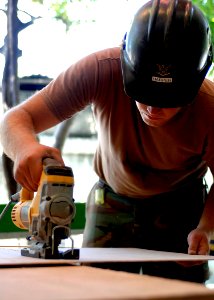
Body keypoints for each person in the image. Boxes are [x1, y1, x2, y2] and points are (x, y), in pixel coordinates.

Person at [0, 0, 214, 283]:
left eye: (170, 100)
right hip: (110, 198)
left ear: (196, 81)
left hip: (182, 205)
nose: (153, 109)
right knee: (96, 285)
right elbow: (14, 120)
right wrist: (26, 147)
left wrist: (206, 228)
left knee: (181, 290)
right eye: (143, 93)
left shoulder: (209, 108)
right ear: (127, 67)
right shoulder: (101, 70)